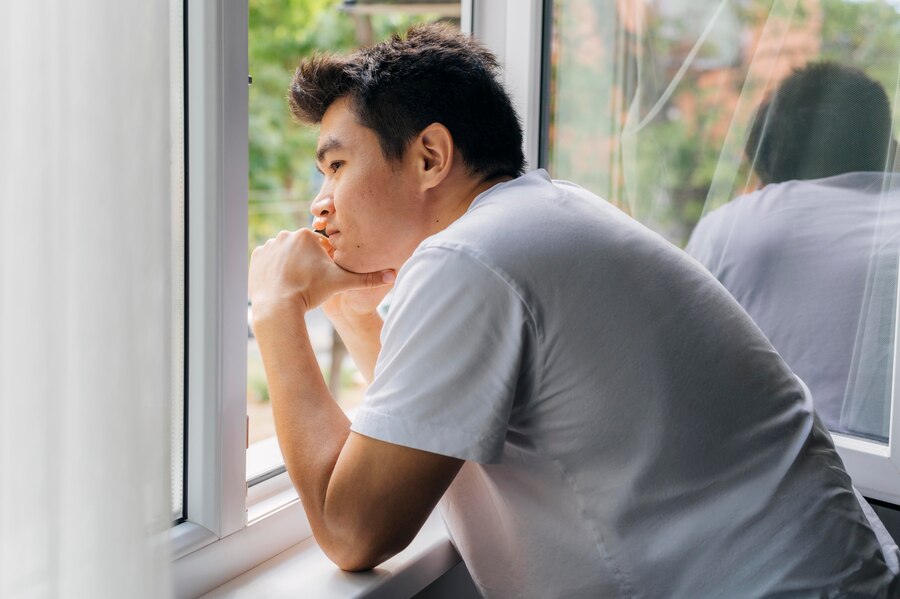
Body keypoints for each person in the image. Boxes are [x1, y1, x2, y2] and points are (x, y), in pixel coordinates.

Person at [248, 27, 900, 597]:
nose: (320, 204)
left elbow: (353, 527)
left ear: (429, 157)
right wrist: (352, 303)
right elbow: (418, 425)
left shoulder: (472, 257)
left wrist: (276, 308)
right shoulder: (539, 217)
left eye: (335, 166)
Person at [687, 62, 900, 440]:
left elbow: (680, 370)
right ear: (888, 146)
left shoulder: (731, 227)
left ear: (770, 159)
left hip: (757, 471)